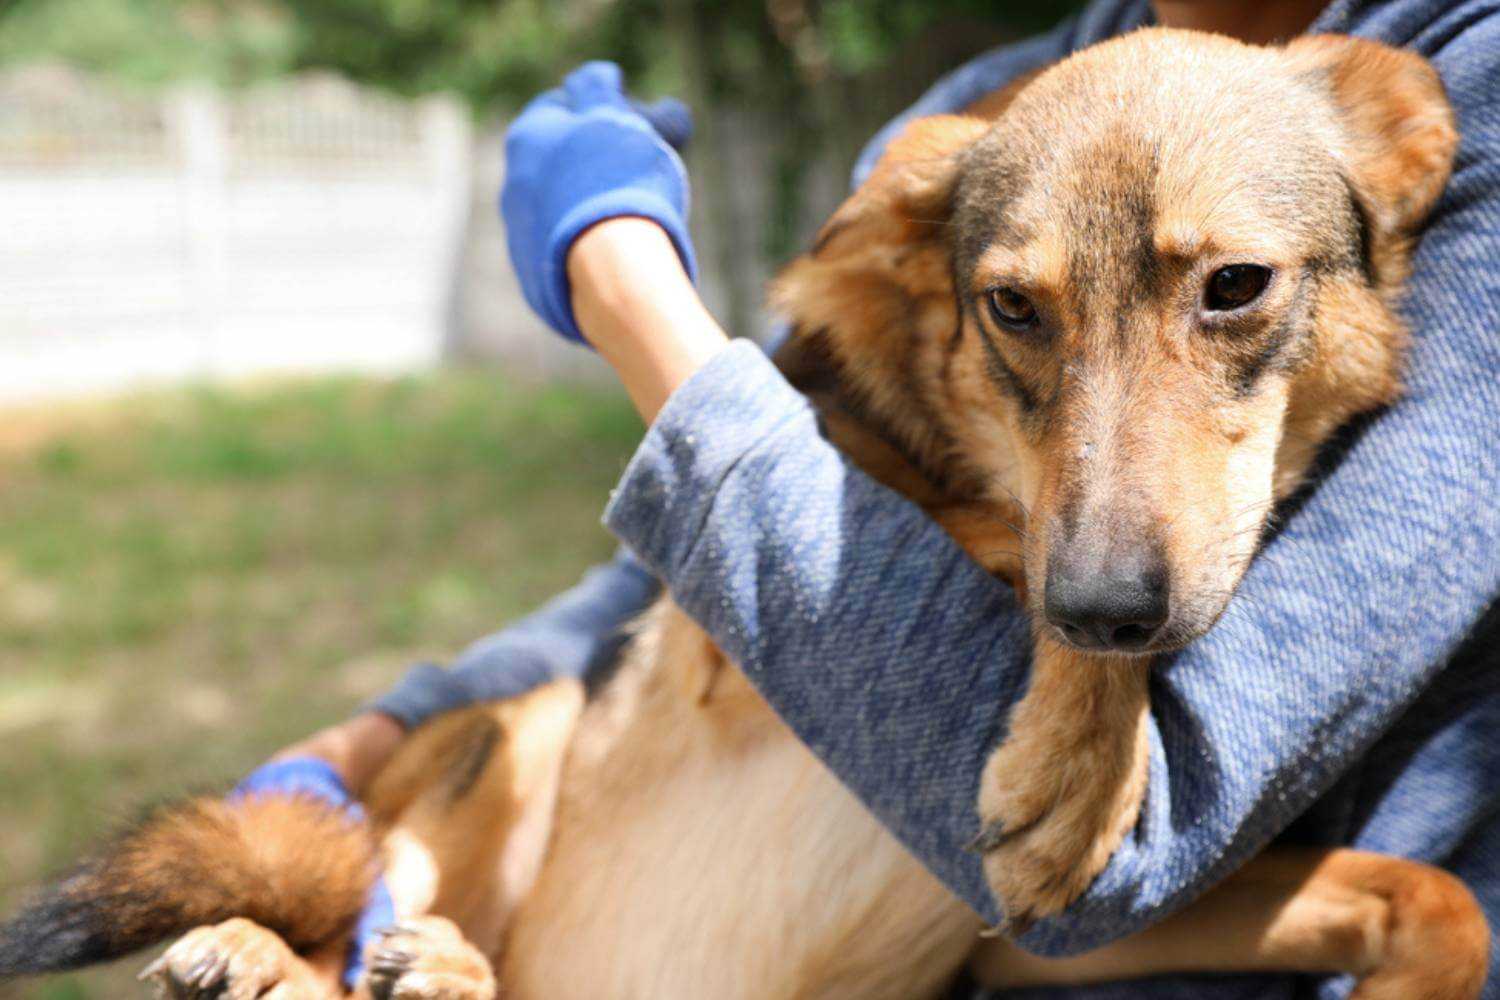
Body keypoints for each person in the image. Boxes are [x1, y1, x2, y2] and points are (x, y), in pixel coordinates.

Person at [260, 0, 1500, 996]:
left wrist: (633, 302)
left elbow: (1105, 855)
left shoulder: (1458, 83)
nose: (1105, 561)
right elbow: (738, 535)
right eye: (1020, 308)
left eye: (1229, 288)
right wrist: (385, 734)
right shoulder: (971, 128)